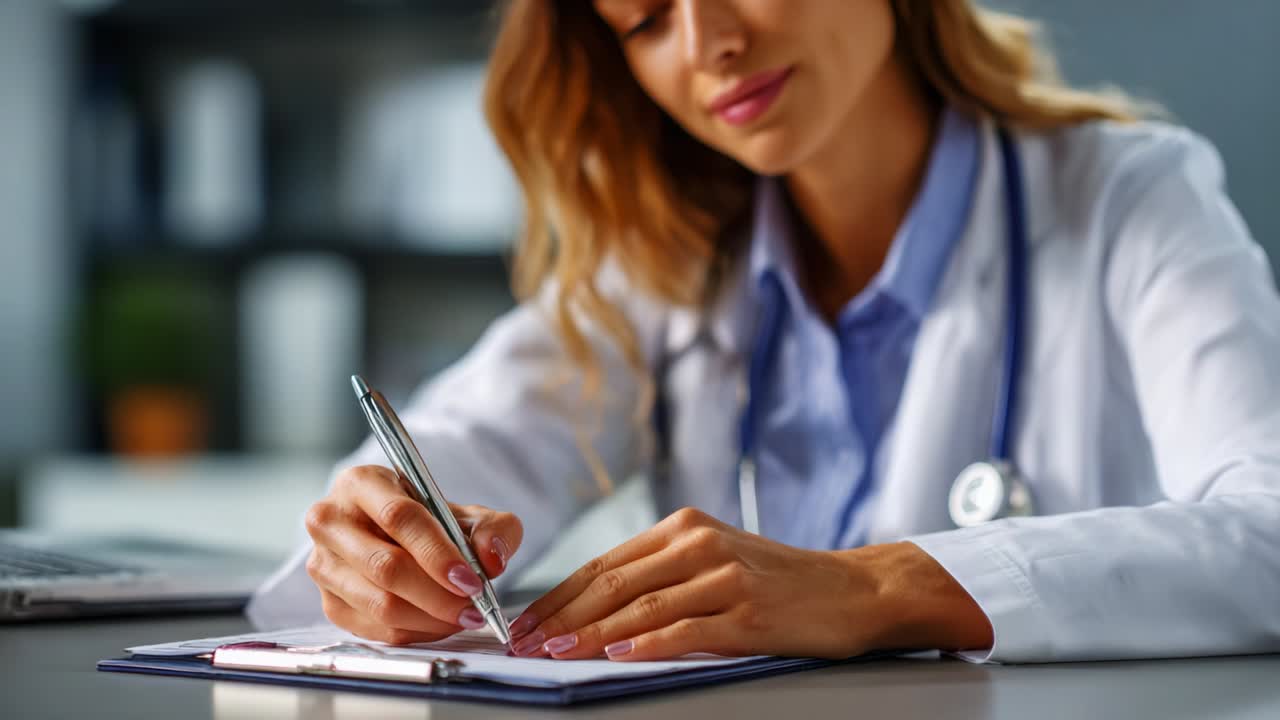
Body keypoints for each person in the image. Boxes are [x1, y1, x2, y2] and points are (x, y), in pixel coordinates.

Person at [249, 0, 1280, 663]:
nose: (706, 45)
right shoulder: (663, 264)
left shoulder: (1126, 199)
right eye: (645, 18)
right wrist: (379, 549)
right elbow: (451, 462)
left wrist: (875, 585)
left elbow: (1268, 534)